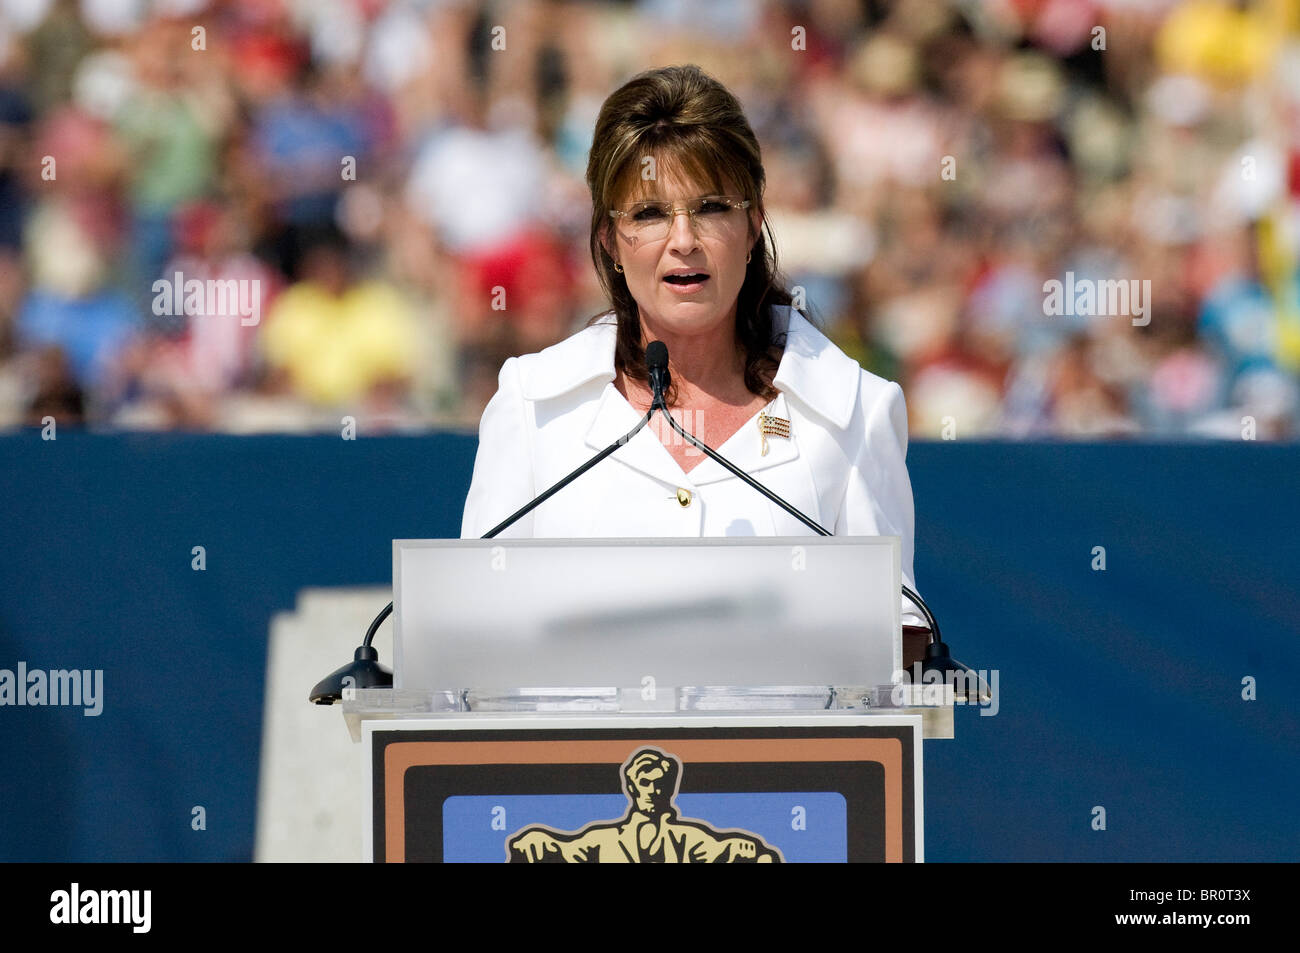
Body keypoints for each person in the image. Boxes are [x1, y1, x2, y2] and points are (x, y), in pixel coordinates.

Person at [460, 64, 927, 634]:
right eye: (649, 214)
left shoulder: (853, 410)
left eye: (711, 208)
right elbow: (475, 631)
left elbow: (895, 640)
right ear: (609, 240)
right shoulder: (533, 404)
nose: (683, 241)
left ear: (753, 224)